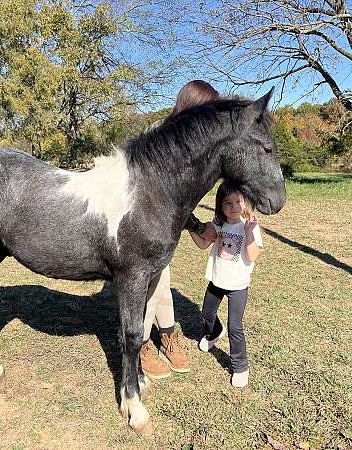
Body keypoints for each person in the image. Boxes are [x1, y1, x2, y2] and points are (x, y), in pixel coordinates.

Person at [139, 80, 220, 379]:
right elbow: (163, 196)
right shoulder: (161, 136)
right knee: (156, 283)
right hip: (147, 225)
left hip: (166, 224)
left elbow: (180, 199)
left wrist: (197, 225)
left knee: (162, 280)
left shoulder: (191, 142)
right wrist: (197, 226)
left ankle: (169, 339)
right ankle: (145, 345)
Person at [188, 181, 263, 388]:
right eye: (227, 203)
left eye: (237, 201)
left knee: (235, 327)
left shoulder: (250, 226)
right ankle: (213, 333)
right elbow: (203, 243)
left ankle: (240, 367)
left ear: (245, 202)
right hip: (217, 281)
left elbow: (253, 254)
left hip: (238, 286)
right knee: (206, 315)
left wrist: (249, 232)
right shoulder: (218, 225)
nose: (233, 207)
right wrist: (189, 227)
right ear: (220, 205)